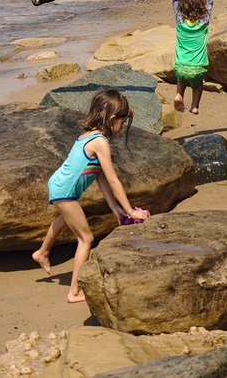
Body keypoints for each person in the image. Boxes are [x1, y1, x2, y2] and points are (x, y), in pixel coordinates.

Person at [33, 90, 150, 303]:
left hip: (59, 186)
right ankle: (75, 291)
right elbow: (114, 180)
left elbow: (100, 178)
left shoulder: (87, 136)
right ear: (113, 119)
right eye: (122, 123)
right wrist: (131, 210)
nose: (122, 128)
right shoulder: (100, 142)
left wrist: (116, 209)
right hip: (65, 192)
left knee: (64, 220)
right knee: (86, 238)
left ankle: (42, 252)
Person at [167, 0, 213, 114]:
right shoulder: (204, 21)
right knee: (197, 84)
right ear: (202, 7)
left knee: (182, 79)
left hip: (180, 66)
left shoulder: (179, 20)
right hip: (197, 67)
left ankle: (179, 94)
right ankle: (194, 106)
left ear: (181, 8)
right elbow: (209, 0)